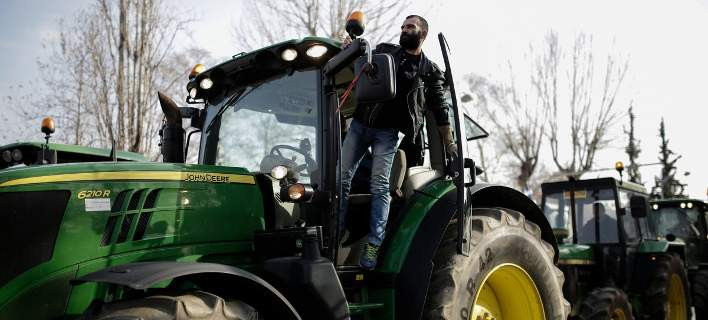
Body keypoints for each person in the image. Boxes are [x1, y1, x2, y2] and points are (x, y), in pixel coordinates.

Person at [339, 15, 456, 269]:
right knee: (341, 179)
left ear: (422, 34)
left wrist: (449, 143)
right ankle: (335, 232)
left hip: (387, 133)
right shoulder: (383, 52)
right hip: (360, 125)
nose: (404, 30)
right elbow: (361, 66)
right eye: (402, 27)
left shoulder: (428, 70)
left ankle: (374, 244)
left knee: (380, 186)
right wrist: (350, 49)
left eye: (409, 27)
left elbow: (439, 107)